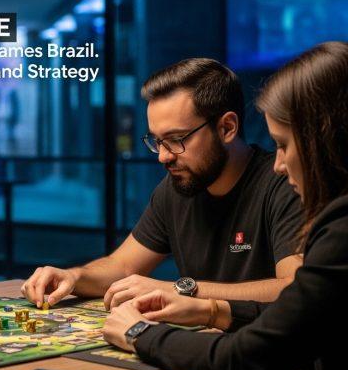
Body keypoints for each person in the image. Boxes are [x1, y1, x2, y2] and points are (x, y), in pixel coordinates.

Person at [103, 41, 348, 370]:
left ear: (324, 142)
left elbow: (245, 359)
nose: (280, 163)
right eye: (157, 142)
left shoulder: (340, 228)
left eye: (284, 145)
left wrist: (139, 332)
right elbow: (307, 315)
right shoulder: (174, 190)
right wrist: (211, 311)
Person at [23, 58, 303, 309]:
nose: (164, 156)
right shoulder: (177, 187)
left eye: (177, 139)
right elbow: (121, 265)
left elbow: (295, 288)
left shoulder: (284, 184)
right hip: (204, 345)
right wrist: (73, 276)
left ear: (227, 128)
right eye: (157, 141)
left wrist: (181, 290)